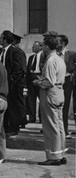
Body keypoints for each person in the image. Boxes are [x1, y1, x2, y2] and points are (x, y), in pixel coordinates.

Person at [34, 35, 67, 165]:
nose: (42, 48)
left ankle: (53, 156)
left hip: (50, 93)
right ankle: (61, 152)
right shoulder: (59, 59)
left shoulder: (50, 60)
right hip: (59, 92)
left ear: (47, 46)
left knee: (50, 125)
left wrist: (38, 82)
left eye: (43, 45)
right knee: (59, 125)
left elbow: (49, 81)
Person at [0, 30, 26, 137]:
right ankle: (5, 127)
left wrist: (11, 81)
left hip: (14, 84)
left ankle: (14, 128)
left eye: (1, 37)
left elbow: (19, 69)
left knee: (14, 106)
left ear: (5, 39)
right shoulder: (2, 51)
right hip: (4, 83)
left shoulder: (15, 51)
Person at [56, 35, 76, 138]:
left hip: (67, 80)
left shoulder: (71, 54)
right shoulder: (53, 54)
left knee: (65, 105)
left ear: (63, 43)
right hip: (56, 81)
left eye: (58, 41)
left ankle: (65, 129)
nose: (56, 43)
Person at [26, 41, 43, 124]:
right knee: (31, 99)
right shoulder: (31, 57)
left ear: (40, 47)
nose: (33, 48)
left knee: (41, 98)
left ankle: (41, 117)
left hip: (39, 77)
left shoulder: (43, 57)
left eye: (35, 46)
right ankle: (32, 117)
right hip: (31, 78)